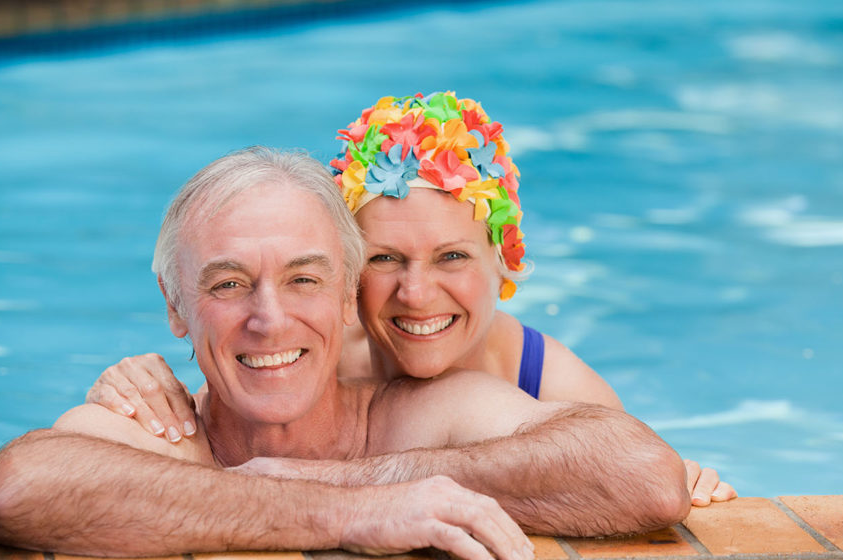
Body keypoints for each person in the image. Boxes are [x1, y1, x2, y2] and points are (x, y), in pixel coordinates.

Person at [0, 147, 690, 558]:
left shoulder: (422, 415)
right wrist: (345, 514)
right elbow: (15, 490)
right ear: (174, 306)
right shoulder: (163, 430)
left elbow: (645, 476)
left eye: (304, 279)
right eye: (228, 284)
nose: (269, 318)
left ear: (349, 294)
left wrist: (373, 478)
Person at [86, 92, 735, 506]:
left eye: (452, 256)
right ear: (344, 280)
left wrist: (686, 476)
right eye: (384, 260)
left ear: (504, 259)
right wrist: (140, 376)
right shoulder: (310, 352)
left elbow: (628, 475)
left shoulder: (555, 382)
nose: (417, 294)